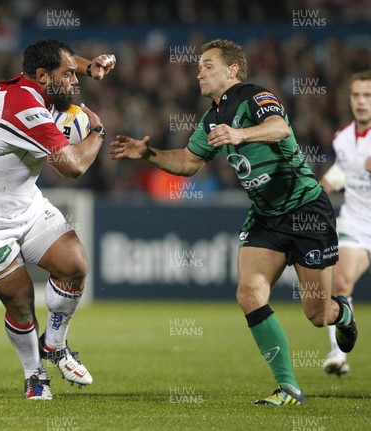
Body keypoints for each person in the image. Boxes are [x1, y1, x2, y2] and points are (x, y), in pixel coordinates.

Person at [110, 39, 357, 406]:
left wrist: (240, 134)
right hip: (264, 217)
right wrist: (149, 154)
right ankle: (288, 388)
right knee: (248, 294)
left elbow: (279, 128)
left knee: (317, 315)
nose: (199, 72)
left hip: (305, 210)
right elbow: (189, 162)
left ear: (233, 71)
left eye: (208, 65)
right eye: (198, 66)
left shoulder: (255, 97)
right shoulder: (211, 118)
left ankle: (342, 312)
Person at [0, 39, 115, 399]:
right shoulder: (26, 107)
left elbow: (58, 64)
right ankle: (35, 374)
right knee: (20, 299)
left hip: (21, 200)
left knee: (74, 265)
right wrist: (98, 131)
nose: (75, 82)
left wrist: (88, 66)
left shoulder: (31, 86)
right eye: (69, 75)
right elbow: (73, 166)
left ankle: (54, 344)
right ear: (42, 76)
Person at [319, 70, 371, 376]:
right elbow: (343, 172)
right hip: (356, 221)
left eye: (367, 95)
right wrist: (321, 187)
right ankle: (338, 354)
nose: (361, 101)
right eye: (356, 95)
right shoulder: (343, 138)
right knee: (339, 283)